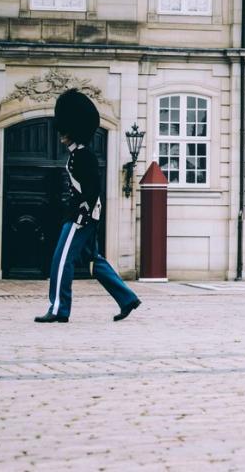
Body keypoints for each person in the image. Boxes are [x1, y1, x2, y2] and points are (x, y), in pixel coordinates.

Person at [35, 89, 141, 323]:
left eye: (65, 132)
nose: (61, 135)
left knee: (61, 259)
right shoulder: (77, 155)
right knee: (94, 262)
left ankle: (58, 309)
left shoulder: (84, 156)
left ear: (73, 131)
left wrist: (82, 215)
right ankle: (127, 298)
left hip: (80, 217)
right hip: (82, 215)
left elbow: (93, 190)